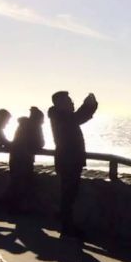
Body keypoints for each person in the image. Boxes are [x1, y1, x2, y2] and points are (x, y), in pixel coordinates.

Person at [48, 91, 98, 237]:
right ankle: (67, 226)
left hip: (68, 160)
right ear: (60, 104)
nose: (72, 103)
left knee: (69, 194)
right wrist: (89, 105)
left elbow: (78, 117)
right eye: (68, 101)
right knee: (69, 194)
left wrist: (89, 106)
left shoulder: (61, 116)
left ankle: (65, 222)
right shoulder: (61, 117)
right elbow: (79, 117)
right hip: (68, 161)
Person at [7, 107, 46, 211]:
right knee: (25, 184)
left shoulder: (21, 126)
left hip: (15, 158)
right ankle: (22, 208)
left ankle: (14, 208)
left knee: (15, 183)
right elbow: (40, 143)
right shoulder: (35, 127)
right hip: (25, 159)